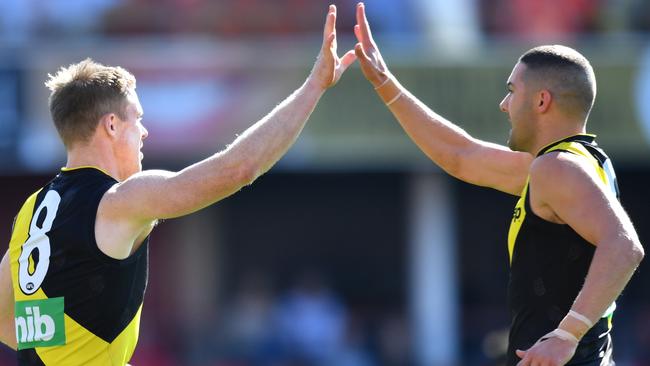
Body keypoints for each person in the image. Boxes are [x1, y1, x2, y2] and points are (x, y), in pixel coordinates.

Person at [0, 5, 356, 365]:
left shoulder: (31, 211)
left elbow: (3, 319)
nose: (144, 130)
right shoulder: (119, 200)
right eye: (136, 118)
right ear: (110, 126)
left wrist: (67, 353)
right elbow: (239, 169)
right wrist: (314, 87)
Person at [352, 2, 643, 365]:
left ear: (541, 100)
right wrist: (385, 83)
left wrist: (567, 334)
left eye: (512, 90)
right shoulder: (569, 163)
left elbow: (625, 246)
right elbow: (461, 156)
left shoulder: (558, 168)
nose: (504, 104)